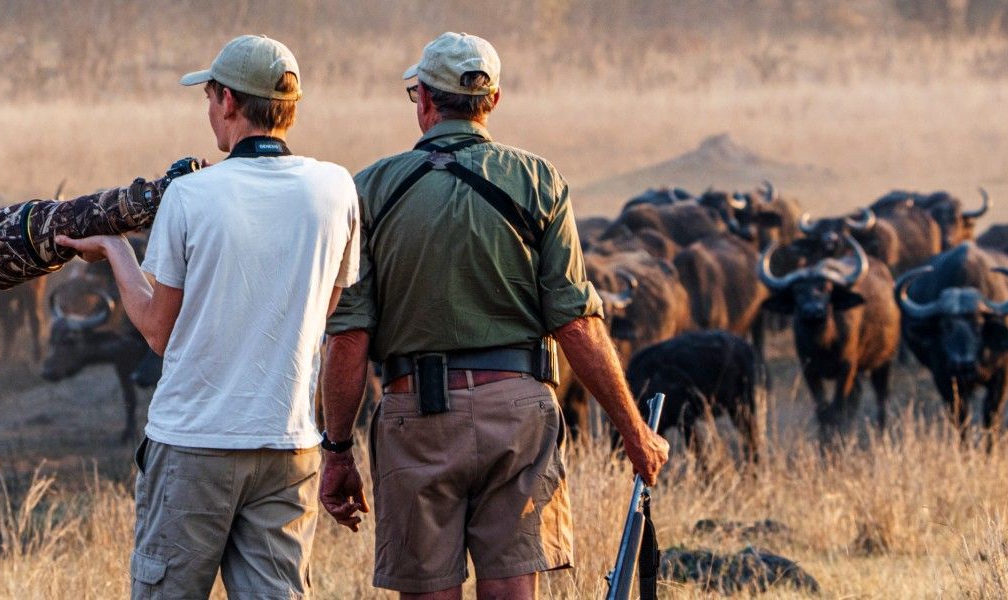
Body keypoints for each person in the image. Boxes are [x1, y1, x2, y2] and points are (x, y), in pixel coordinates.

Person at [316, 32, 670, 599]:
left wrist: (336, 451)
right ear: (493, 102)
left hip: (416, 417)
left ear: (425, 102)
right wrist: (634, 434)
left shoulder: (370, 189)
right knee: (512, 593)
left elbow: (349, 338)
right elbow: (576, 324)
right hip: (518, 412)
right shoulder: (539, 181)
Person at [55, 34, 360, 600]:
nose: (208, 111)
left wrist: (116, 251)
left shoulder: (191, 196)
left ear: (227, 101)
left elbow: (157, 331)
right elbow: (327, 308)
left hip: (194, 444)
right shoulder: (336, 188)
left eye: (208, 96)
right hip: (288, 444)